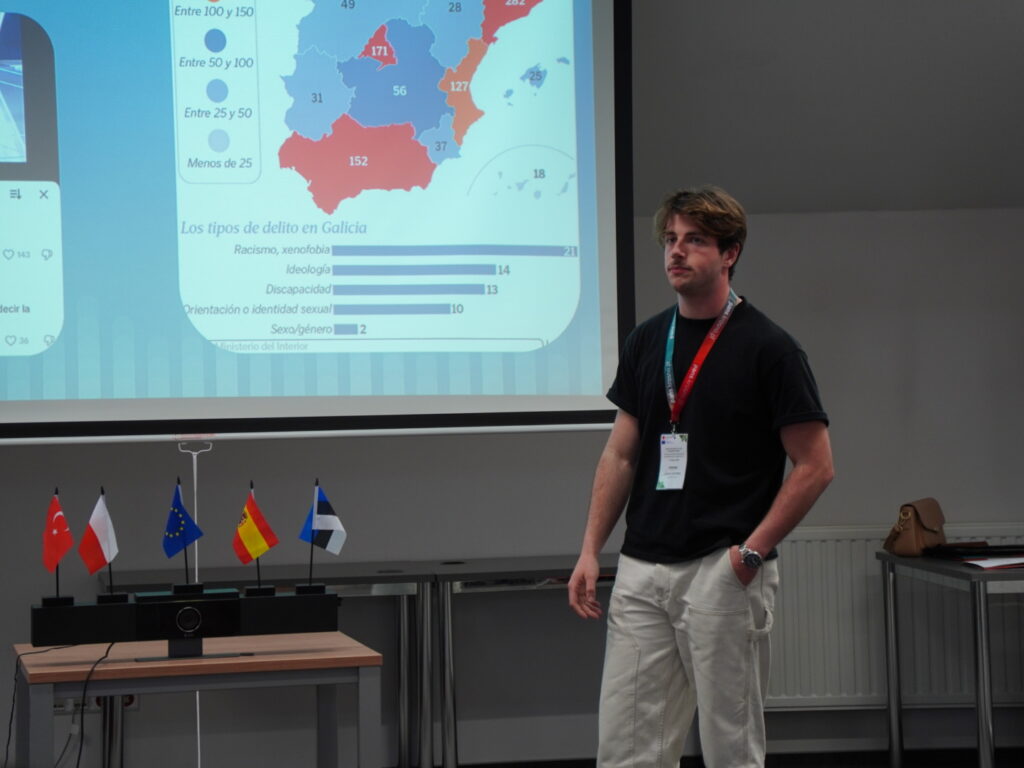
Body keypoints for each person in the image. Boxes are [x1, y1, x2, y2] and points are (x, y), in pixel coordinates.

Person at [568, 186, 834, 768]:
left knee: (730, 749)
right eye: (670, 239)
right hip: (641, 569)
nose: (676, 251)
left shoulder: (770, 349)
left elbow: (816, 465)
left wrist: (750, 555)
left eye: (694, 240)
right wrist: (590, 550)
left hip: (722, 569)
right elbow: (620, 456)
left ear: (729, 253)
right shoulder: (647, 340)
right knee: (625, 751)